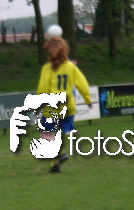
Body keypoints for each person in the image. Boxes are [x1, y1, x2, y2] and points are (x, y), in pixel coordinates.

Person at [36, 36, 92, 173]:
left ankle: (60, 153)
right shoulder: (71, 67)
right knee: (62, 129)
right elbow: (82, 83)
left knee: (46, 133)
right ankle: (55, 165)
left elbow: (43, 89)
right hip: (68, 107)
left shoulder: (48, 69)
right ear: (65, 50)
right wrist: (88, 99)